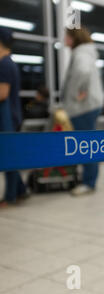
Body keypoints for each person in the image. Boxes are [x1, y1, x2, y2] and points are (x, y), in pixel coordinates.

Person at [61, 27, 104, 196]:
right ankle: (88, 180)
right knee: (87, 144)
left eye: (66, 36)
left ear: (73, 38)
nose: (64, 39)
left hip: (84, 107)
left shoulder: (81, 53)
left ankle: (89, 182)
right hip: (88, 106)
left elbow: (83, 71)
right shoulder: (85, 52)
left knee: (87, 146)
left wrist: (75, 93)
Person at [0, 27, 28, 208]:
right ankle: (21, 190)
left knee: (7, 157)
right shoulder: (9, 62)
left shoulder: (4, 64)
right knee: (10, 156)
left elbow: (2, 94)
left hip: (7, 118)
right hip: (12, 116)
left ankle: (10, 197)